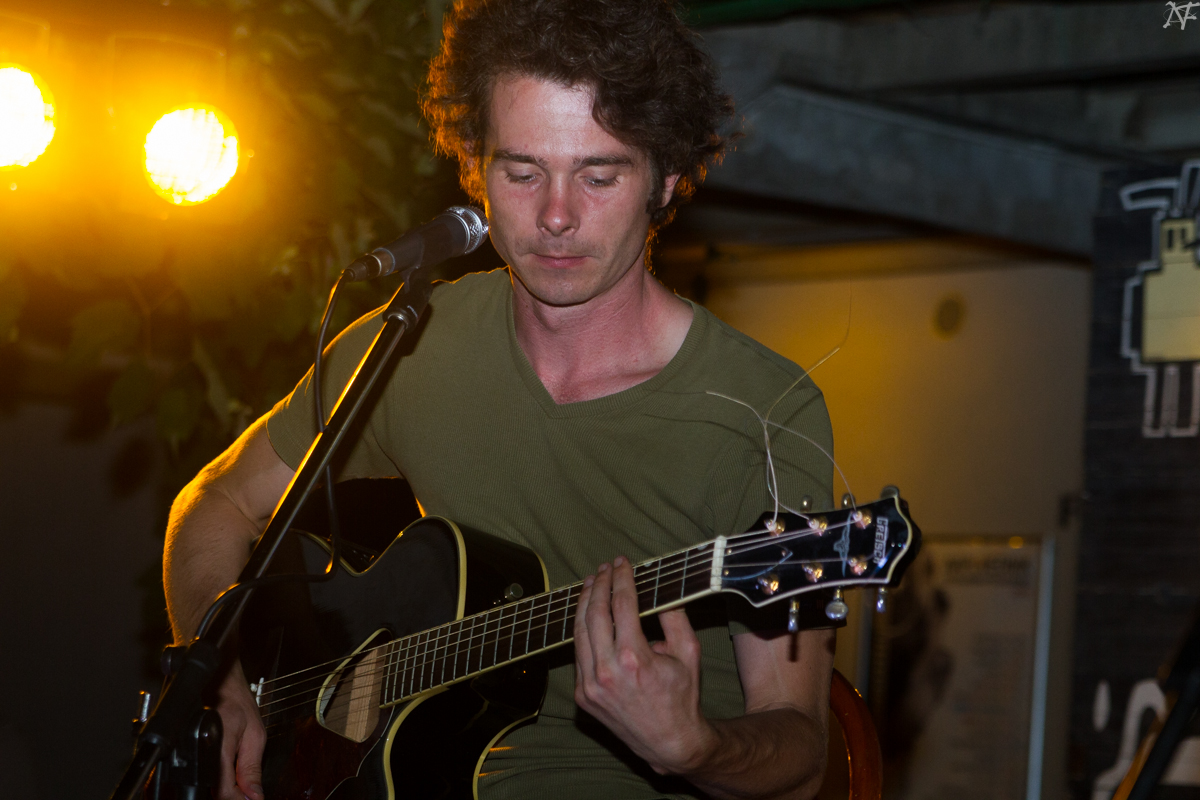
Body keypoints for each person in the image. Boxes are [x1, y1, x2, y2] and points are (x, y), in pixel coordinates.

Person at [162, 0, 838, 798]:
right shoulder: (410, 347)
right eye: (522, 172)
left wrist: (693, 748)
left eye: (599, 175)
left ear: (665, 179)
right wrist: (216, 675)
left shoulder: (763, 410)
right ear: (473, 170)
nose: (556, 216)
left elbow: (801, 751)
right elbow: (214, 502)